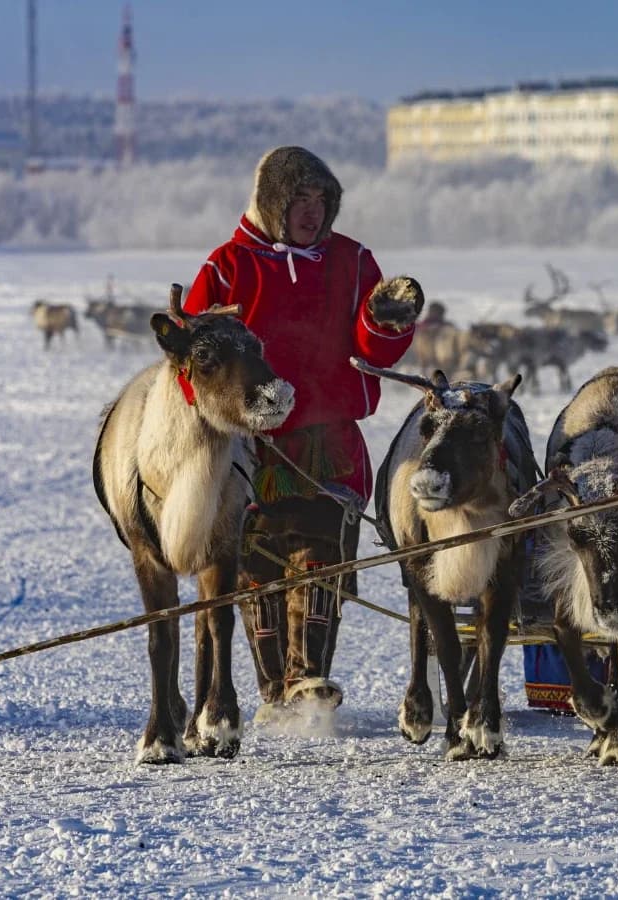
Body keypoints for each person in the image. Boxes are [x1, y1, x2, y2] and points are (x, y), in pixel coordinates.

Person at [184, 146, 423, 715]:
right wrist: (213, 413)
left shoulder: (354, 261)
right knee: (254, 562)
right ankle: (275, 689)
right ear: (273, 204)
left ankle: (308, 678)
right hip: (249, 440)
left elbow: (373, 349)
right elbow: (193, 361)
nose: (313, 214)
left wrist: (385, 324)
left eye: (322, 201)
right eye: (299, 201)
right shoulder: (228, 266)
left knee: (321, 554)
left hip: (328, 436)